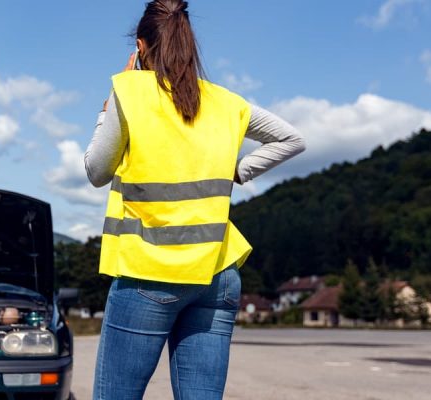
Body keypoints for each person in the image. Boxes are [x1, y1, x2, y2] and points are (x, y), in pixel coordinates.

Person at [84, 1, 306, 399]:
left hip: (149, 275)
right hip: (218, 275)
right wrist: (241, 170)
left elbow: (96, 171)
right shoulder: (226, 103)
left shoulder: (129, 93)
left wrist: (105, 113)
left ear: (140, 46)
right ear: (189, 44)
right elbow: (292, 138)